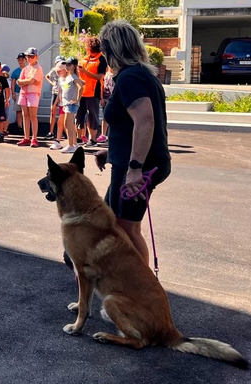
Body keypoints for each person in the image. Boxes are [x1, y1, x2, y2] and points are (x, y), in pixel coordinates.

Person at [95, 20, 171, 266]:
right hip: (131, 161)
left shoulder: (130, 78)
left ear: (111, 49)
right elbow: (132, 125)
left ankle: (144, 290)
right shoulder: (140, 74)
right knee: (118, 224)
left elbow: (146, 121)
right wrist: (112, 151)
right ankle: (138, 287)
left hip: (139, 166)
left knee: (126, 228)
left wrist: (135, 167)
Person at [76, 37, 107, 146]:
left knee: (92, 116)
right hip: (82, 92)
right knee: (79, 115)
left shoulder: (101, 60)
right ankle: (79, 138)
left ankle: (92, 139)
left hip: (94, 92)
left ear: (90, 48)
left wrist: (85, 71)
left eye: (87, 46)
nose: (85, 48)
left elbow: (99, 77)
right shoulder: (85, 58)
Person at [16, 47, 44, 148]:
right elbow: (19, 82)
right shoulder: (25, 69)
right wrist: (27, 81)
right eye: (28, 56)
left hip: (33, 93)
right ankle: (26, 137)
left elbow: (31, 81)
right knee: (25, 116)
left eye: (31, 56)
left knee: (33, 116)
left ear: (36, 57)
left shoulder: (38, 68)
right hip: (24, 93)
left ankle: (34, 138)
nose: (29, 58)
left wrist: (25, 81)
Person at [57, 58, 85, 153]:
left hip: (71, 104)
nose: (67, 66)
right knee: (70, 125)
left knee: (67, 124)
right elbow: (69, 88)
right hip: (67, 104)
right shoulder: (69, 77)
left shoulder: (73, 76)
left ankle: (70, 145)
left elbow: (80, 87)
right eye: (66, 65)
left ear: (74, 66)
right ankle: (74, 144)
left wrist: (77, 99)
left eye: (69, 65)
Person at [44, 55, 65, 140]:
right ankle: (51, 131)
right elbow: (47, 76)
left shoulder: (64, 70)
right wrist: (52, 83)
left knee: (62, 113)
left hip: (62, 93)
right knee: (52, 111)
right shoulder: (53, 70)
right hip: (55, 92)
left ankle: (62, 131)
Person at [97, 66, 116, 143]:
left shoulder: (116, 75)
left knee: (114, 117)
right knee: (105, 117)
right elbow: (101, 87)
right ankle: (103, 134)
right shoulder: (105, 76)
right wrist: (101, 98)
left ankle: (112, 134)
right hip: (105, 98)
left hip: (114, 98)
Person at [10, 53, 27, 133]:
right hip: (17, 93)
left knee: (26, 111)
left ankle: (26, 127)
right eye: (19, 60)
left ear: (26, 60)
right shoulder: (16, 71)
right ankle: (19, 127)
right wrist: (13, 93)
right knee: (18, 110)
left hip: (26, 93)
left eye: (22, 59)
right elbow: (13, 83)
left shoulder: (28, 70)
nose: (21, 61)